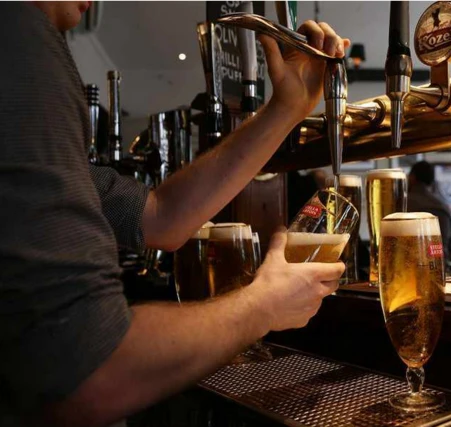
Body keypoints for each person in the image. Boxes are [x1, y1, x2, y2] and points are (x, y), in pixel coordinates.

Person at [0, 2, 350, 426]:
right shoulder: (19, 31)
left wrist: (287, 107)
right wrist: (265, 304)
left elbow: (162, 218)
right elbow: (86, 372)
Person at [407, 161, 451, 260]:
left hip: (409, 268)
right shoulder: (443, 206)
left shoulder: (404, 204)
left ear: (412, 177)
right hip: (441, 267)